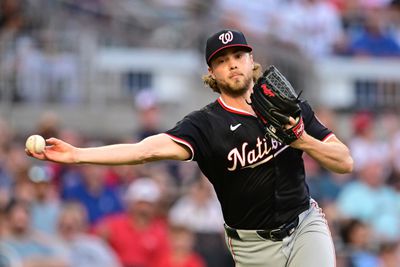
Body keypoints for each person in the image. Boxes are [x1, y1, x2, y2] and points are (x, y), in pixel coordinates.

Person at [27, 29, 353, 267]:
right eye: (222, 60)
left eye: (239, 56)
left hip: (304, 226)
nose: (233, 64)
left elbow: (344, 162)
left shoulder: (286, 105)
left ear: (251, 59)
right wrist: (78, 154)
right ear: (212, 73)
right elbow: (145, 150)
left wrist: (301, 138)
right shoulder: (205, 124)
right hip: (252, 247)